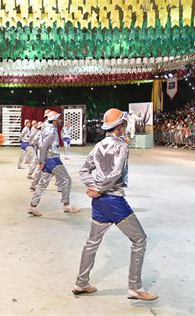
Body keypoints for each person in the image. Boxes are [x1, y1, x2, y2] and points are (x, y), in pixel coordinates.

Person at [73, 108, 158, 301]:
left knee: (92, 242)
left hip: (99, 203)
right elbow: (116, 173)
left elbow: (84, 171)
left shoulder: (99, 145)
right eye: (124, 124)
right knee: (140, 239)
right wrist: (100, 188)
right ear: (119, 126)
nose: (126, 127)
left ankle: (81, 282)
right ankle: (135, 287)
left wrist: (93, 187)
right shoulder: (122, 146)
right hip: (113, 201)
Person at [28, 111, 79, 216]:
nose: (61, 121)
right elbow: (43, 146)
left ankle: (33, 206)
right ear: (54, 120)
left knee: (42, 184)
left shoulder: (46, 128)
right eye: (59, 119)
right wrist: (42, 161)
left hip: (48, 159)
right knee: (66, 179)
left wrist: (43, 160)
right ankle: (66, 205)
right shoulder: (51, 131)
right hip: (53, 160)